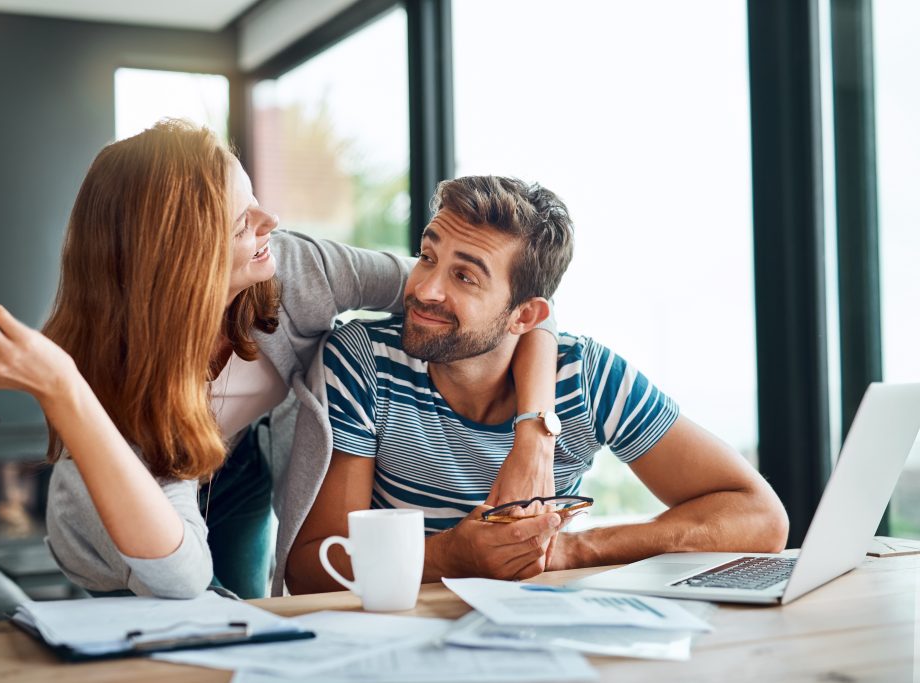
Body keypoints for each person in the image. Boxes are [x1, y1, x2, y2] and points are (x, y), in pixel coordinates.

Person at [0, 121, 561, 599]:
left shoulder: (296, 269)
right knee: (173, 622)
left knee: (246, 614)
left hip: (240, 462)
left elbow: (512, 311)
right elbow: (177, 577)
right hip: (124, 519)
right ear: (184, 255)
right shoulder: (122, 384)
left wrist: (533, 435)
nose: (271, 219)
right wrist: (64, 387)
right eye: (242, 221)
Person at [286, 175, 789, 593]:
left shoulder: (583, 376)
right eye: (428, 255)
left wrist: (571, 549)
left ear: (525, 315)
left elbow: (760, 517)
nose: (423, 289)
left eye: (465, 277)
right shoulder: (363, 361)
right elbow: (311, 569)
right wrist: (449, 555)